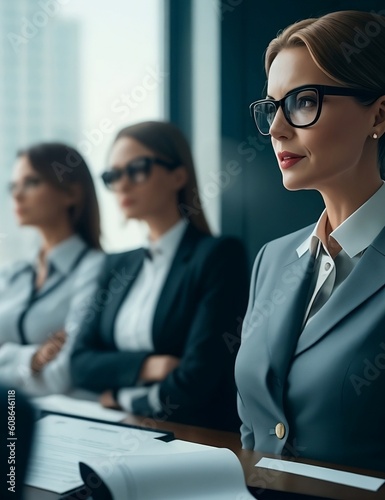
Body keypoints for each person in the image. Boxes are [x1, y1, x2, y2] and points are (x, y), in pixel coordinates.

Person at [235, 10, 385, 471]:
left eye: (302, 101)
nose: (278, 128)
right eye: (272, 107)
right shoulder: (272, 258)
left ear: (378, 115)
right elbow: (254, 429)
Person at [70, 120, 249, 430]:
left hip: (193, 437)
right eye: (113, 175)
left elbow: (197, 380)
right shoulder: (116, 265)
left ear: (178, 176)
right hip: (117, 430)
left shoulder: (218, 256)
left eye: (137, 168)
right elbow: (79, 363)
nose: (122, 185)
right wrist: (151, 365)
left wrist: (122, 397)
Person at [0, 142, 105, 396]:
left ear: (71, 193)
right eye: (13, 186)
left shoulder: (95, 268)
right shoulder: (14, 274)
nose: (17, 195)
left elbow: (63, 376)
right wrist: (33, 359)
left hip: (61, 421)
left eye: (32, 182)